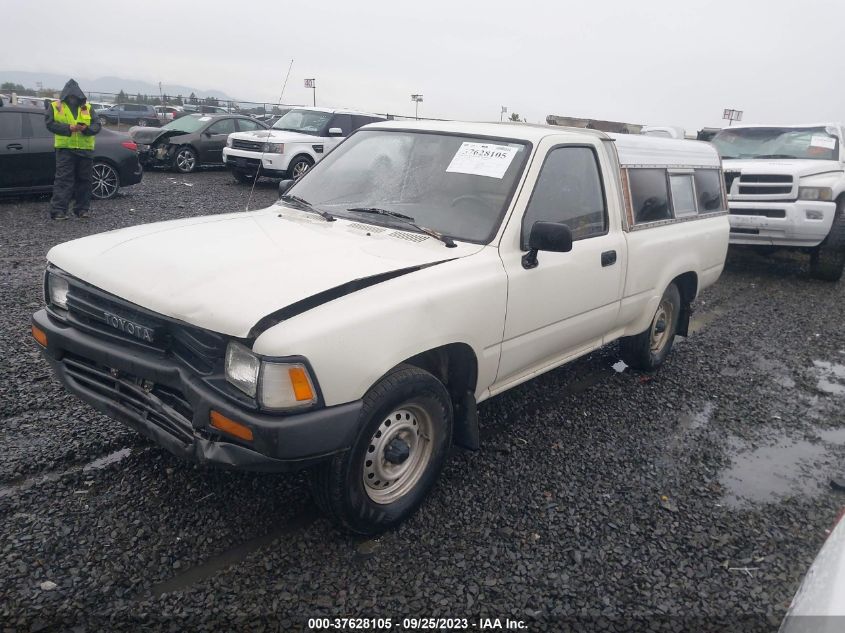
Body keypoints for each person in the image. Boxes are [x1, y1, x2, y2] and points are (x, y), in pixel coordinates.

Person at [45, 79, 101, 220]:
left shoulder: (87, 107)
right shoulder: (56, 106)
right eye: (71, 96)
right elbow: (50, 124)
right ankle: (58, 211)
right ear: (66, 95)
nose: (73, 99)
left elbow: (97, 125)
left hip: (85, 149)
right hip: (65, 149)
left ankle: (82, 210)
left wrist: (86, 129)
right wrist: (68, 128)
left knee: (85, 181)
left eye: (75, 96)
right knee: (63, 181)